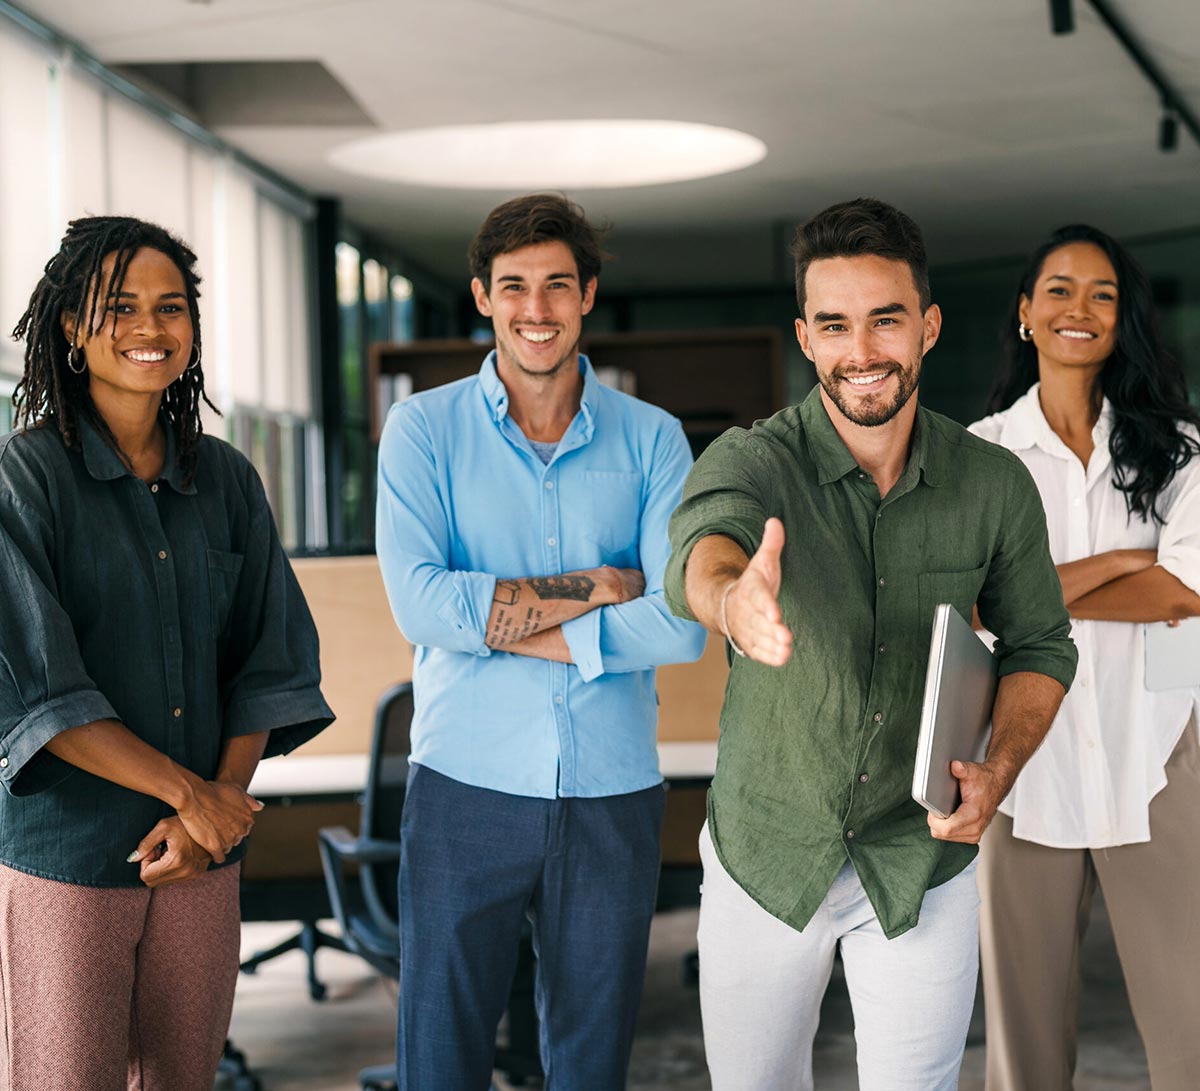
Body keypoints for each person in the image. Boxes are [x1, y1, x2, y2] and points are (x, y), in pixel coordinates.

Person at [664, 197, 1079, 1091]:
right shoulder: (755, 458)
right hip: (768, 853)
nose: (862, 351)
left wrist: (997, 769)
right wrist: (734, 601)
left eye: (886, 319)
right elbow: (704, 548)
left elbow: (1042, 644)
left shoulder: (994, 483)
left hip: (917, 855)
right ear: (807, 338)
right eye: (835, 324)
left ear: (927, 326)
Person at [375, 193, 706, 1089]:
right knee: (440, 1059)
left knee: (591, 1065)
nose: (536, 308)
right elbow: (420, 606)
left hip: (611, 793)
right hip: (463, 792)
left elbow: (679, 625)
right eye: (514, 286)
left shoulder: (654, 440)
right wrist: (598, 591)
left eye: (557, 284)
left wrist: (496, 624)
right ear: (482, 296)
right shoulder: (423, 431)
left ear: (588, 294)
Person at [0, 215, 333, 1091]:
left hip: (199, 857)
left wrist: (211, 814)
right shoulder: (25, 477)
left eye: (171, 306)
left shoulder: (225, 478)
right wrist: (194, 798)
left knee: (184, 1078)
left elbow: (270, 664)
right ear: (71, 326)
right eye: (120, 307)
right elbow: (41, 690)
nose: (151, 328)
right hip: (69, 859)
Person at [969, 225, 1200, 1091]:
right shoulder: (977, 457)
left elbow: (1184, 592)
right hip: (1019, 770)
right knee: (1023, 1052)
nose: (1080, 308)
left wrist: (1028, 589)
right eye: (1059, 289)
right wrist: (1122, 561)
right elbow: (973, 603)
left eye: (1102, 293)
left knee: (1193, 1035)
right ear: (1026, 312)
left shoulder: (1179, 450)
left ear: (1123, 318)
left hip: (1158, 756)